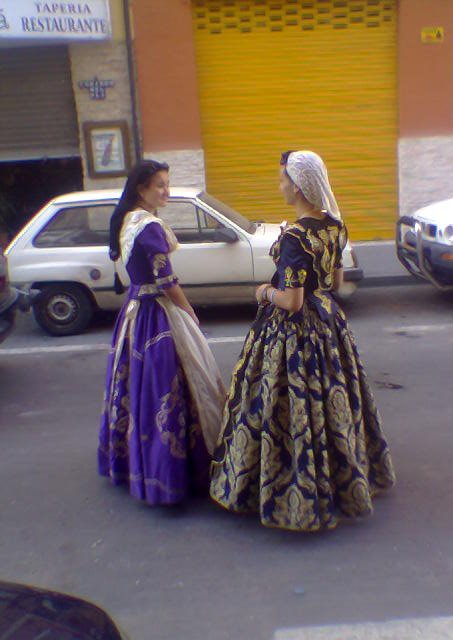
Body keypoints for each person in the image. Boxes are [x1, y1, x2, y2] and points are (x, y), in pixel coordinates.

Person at [210, 150, 395, 532]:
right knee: (335, 402)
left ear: (297, 185)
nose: (280, 186)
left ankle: (287, 487)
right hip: (329, 327)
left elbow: (292, 302)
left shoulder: (296, 236)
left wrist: (263, 291)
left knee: (284, 407)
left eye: (282, 180)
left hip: (293, 335)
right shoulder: (335, 226)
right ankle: (345, 479)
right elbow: (337, 285)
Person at [98, 159, 225, 506]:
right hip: (156, 313)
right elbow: (167, 281)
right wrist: (189, 312)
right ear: (142, 189)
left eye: (167, 184)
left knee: (136, 386)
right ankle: (173, 473)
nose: (166, 191)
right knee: (170, 387)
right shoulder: (149, 227)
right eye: (159, 185)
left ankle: (131, 463)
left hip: (134, 312)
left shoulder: (127, 220)